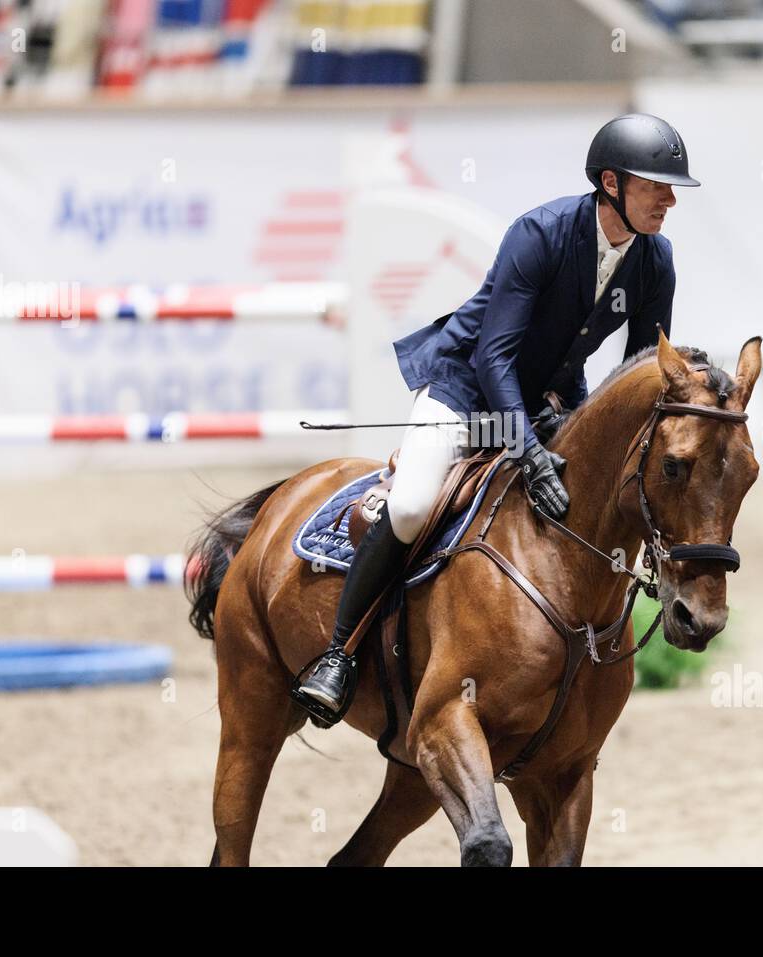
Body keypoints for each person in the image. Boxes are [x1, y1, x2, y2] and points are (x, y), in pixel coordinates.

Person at [291, 112, 697, 724]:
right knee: (409, 506)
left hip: (550, 401)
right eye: (656, 185)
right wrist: (526, 449)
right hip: (466, 388)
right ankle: (338, 655)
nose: (669, 199)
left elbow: (643, 368)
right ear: (611, 183)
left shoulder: (655, 259)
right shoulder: (540, 233)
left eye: (672, 188)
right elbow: (493, 353)